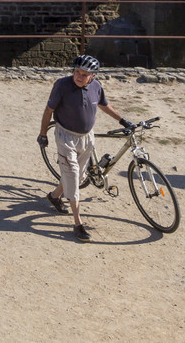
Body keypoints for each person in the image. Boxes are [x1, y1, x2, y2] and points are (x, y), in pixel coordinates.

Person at [38, 55, 129, 242]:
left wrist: (123, 120)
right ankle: (78, 224)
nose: (78, 76)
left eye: (84, 74)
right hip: (65, 137)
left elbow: (104, 105)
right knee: (72, 175)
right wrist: (43, 134)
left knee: (78, 176)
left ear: (93, 76)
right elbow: (48, 110)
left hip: (87, 137)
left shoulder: (96, 87)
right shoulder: (62, 85)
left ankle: (55, 196)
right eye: (76, 72)